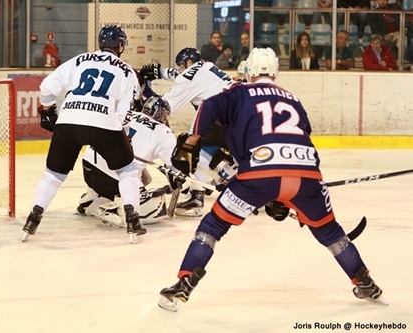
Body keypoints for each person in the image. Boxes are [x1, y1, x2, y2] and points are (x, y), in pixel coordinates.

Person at [157, 47, 386, 312]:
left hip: (259, 173)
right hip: (307, 174)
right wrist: (286, 198)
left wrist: (191, 142)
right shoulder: (294, 98)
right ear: (275, 72)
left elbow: (208, 105)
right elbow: (304, 139)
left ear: (248, 71)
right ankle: (366, 282)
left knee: (213, 225)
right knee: (330, 232)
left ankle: (184, 284)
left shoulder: (238, 91)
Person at [22, 25, 146, 244]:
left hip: (69, 120)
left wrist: (49, 111)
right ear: (120, 45)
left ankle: (32, 220)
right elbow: (126, 113)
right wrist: (117, 134)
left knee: (53, 175)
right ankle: (133, 222)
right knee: (127, 171)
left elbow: (47, 87)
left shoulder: (80, 60)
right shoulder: (127, 71)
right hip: (104, 122)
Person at [139, 48, 236, 217]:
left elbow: (166, 105)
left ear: (189, 63)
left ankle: (197, 195)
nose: (179, 69)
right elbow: (179, 74)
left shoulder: (189, 76)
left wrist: (145, 113)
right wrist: (159, 72)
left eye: (180, 66)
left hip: (219, 115)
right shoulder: (207, 66)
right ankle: (233, 178)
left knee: (197, 151)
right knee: (234, 153)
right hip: (242, 115)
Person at [76, 97, 180, 227]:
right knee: (155, 209)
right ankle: (116, 210)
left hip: (88, 167)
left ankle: (93, 198)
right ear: (163, 115)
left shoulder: (127, 113)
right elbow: (176, 165)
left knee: (146, 178)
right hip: (112, 176)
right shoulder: (164, 132)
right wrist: (180, 179)